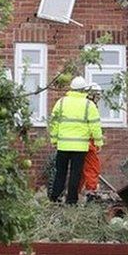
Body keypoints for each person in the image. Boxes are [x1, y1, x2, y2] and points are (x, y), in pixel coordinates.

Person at [48, 76, 103, 204]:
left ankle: (55, 197)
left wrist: (54, 139)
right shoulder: (88, 105)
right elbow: (94, 125)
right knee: (75, 173)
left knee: (60, 172)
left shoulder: (61, 102)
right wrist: (98, 142)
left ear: (71, 88)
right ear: (84, 90)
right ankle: (71, 200)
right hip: (80, 146)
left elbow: (54, 122)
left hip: (63, 145)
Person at [81, 83, 103, 201]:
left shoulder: (81, 105)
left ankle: (76, 194)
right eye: (97, 96)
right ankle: (91, 192)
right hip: (88, 143)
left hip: (80, 142)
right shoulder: (90, 107)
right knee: (92, 167)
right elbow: (94, 126)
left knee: (79, 169)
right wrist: (98, 142)